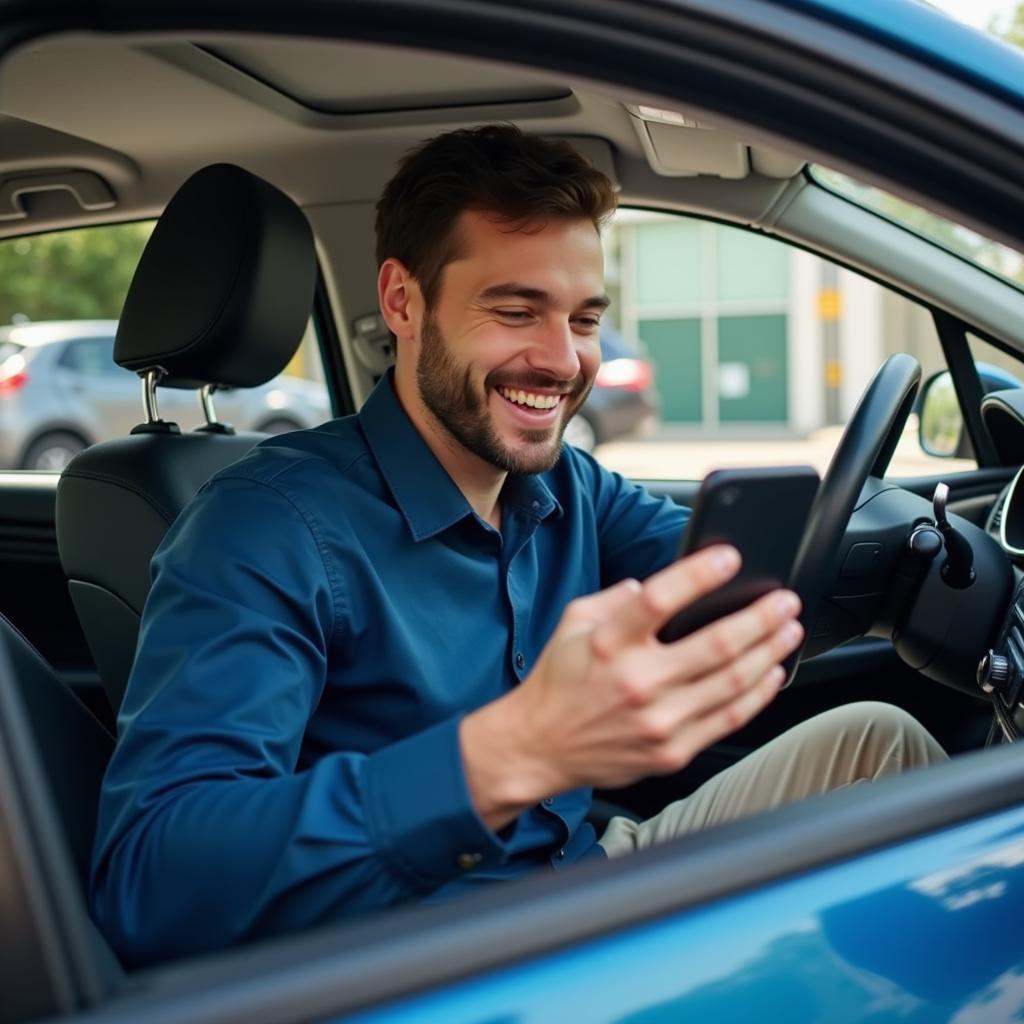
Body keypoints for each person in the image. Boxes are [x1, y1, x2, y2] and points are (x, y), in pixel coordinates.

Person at [90, 125, 945, 968]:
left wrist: (919, 559)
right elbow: (150, 883)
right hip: (435, 958)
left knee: (879, 743)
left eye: (583, 319)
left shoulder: (567, 485)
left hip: (583, 878)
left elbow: (718, 574)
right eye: (514, 311)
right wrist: (514, 751)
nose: (562, 360)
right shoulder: (263, 526)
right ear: (402, 302)